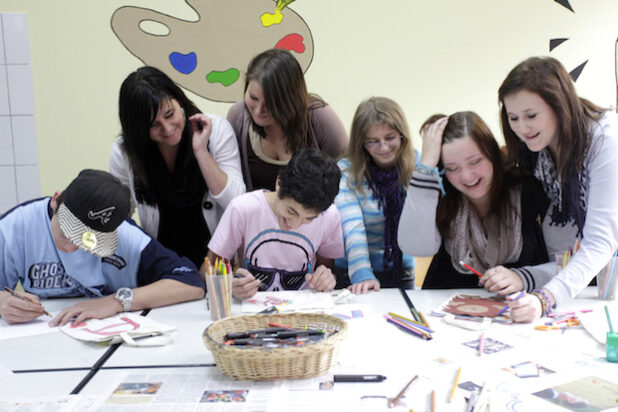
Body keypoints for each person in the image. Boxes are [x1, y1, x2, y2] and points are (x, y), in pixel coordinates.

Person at [498, 56, 618, 322]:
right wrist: (527, 279)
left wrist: (545, 299)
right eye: (513, 118)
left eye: (531, 115)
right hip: (590, 281)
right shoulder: (538, 151)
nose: (522, 128)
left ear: (559, 105)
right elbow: (571, 255)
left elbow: (600, 242)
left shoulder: (604, 138)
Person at [0, 170, 205, 326]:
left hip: (108, 337)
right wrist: (3, 301)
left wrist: (116, 302)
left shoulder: (126, 236)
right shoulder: (16, 227)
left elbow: (191, 284)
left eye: (87, 242)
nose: (70, 248)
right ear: (55, 200)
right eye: (67, 233)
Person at [398, 112, 549, 298]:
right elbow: (416, 247)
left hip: (521, 311)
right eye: (453, 168)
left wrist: (522, 277)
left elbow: (564, 264)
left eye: (475, 162)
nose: (467, 177)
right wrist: (426, 165)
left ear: (492, 154)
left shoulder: (528, 189)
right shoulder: (441, 194)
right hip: (449, 313)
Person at [109, 66, 245, 269]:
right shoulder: (124, 152)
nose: (167, 128)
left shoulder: (216, 130)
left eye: (169, 114)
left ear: (179, 100)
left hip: (215, 263)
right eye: (153, 125)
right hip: (164, 266)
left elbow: (237, 201)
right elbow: (121, 216)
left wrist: (201, 151)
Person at [207, 148, 344, 299]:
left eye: (309, 219)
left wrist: (327, 278)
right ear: (279, 183)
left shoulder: (329, 215)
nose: (295, 225)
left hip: (304, 309)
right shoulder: (243, 209)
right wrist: (229, 285)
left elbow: (327, 268)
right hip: (250, 308)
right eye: (291, 211)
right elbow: (209, 271)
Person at [227, 48, 348, 191]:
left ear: (291, 98)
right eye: (253, 98)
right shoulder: (238, 117)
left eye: (271, 104)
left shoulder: (319, 117)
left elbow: (346, 174)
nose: (259, 111)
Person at [334, 97, 416, 294]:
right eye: (373, 142)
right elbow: (353, 227)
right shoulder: (346, 172)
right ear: (361, 143)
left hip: (400, 270)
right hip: (352, 272)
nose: (384, 147)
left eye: (390, 138)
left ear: (402, 135)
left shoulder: (418, 166)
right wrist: (362, 273)